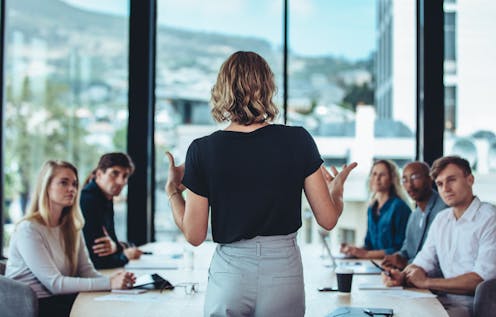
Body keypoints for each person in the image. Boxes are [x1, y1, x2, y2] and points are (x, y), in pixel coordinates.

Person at [165, 51, 357, 317]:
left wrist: (174, 191)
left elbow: (194, 235)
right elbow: (327, 219)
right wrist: (336, 192)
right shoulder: (298, 140)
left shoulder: (202, 150)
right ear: (267, 88)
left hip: (230, 272)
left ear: (222, 90)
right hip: (283, 270)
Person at [5, 160, 135, 317]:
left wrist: (117, 280)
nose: (72, 189)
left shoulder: (71, 227)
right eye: (64, 183)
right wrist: (109, 283)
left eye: (74, 184)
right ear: (46, 186)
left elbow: (87, 272)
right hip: (35, 308)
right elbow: (55, 284)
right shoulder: (28, 229)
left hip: (61, 300)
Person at [383, 156, 496, 317]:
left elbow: (480, 280)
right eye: (440, 184)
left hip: (471, 308)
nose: (446, 188)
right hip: (438, 300)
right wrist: (402, 276)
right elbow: (423, 261)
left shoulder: (490, 218)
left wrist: (427, 282)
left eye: (452, 180)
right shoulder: (442, 219)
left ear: (470, 179)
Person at [80, 152, 142, 269]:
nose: (121, 181)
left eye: (125, 176)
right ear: (99, 174)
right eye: (115, 173)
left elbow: (111, 242)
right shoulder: (89, 200)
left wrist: (118, 247)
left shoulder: (106, 197)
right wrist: (125, 255)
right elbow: (99, 259)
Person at [381, 161, 447, 269]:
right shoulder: (414, 215)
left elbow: (438, 258)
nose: (409, 185)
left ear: (430, 179)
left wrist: (406, 264)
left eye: (415, 177)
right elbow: (406, 250)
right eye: (405, 180)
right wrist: (396, 258)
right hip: (412, 275)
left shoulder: (444, 210)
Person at [340, 160, 411, 259]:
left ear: (391, 179)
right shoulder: (371, 208)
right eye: (374, 174)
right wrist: (354, 250)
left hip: (392, 267)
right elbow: (368, 245)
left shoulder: (400, 207)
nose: (377, 178)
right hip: (374, 264)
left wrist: (366, 254)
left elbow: (400, 249)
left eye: (382, 175)